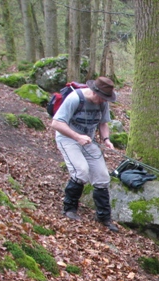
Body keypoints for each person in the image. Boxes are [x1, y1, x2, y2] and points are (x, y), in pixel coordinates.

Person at [51, 76, 119, 232]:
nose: (104, 101)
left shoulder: (103, 103)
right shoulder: (75, 98)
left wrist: (106, 139)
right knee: (81, 171)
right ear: (95, 93)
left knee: (102, 177)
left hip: (88, 140)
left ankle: (104, 217)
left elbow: (103, 123)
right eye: (103, 98)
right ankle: (69, 209)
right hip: (68, 138)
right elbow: (56, 123)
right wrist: (77, 137)